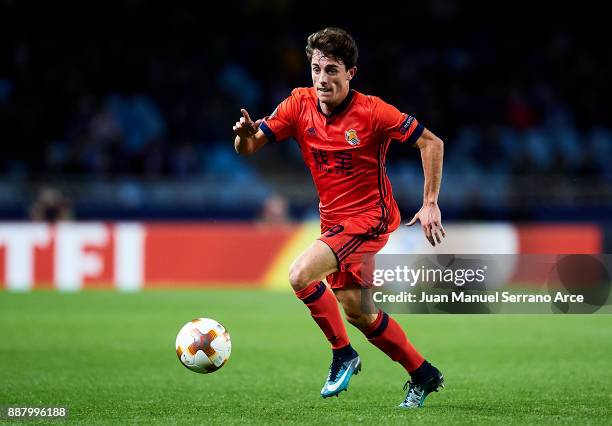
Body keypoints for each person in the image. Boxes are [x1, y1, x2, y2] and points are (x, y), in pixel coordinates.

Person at [232, 27, 445, 408]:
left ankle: (342, 355)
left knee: (299, 275)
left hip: (370, 218)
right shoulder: (298, 105)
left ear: (351, 73)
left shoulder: (374, 112)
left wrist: (430, 202)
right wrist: (244, 135)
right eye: (316, 69)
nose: (322, 79)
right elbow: (248, 147)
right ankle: (423, 373)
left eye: (332, 70)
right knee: (357, 310)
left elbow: (432, 142)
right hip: (333, 222)